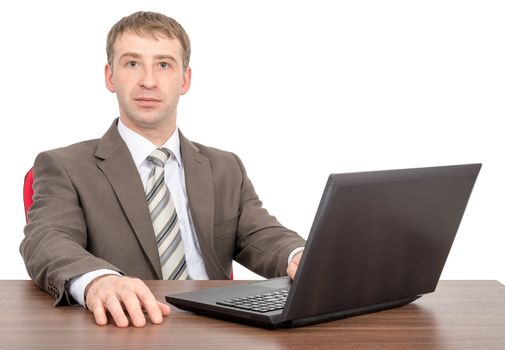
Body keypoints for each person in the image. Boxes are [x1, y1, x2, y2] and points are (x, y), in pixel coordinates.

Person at [20, 11, 305, 328]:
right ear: (110, 76)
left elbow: (260, 235)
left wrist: (299, 256)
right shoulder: (65, 166)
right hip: (129, 328)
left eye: (164, 64)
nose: (148, 81)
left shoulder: (226, 167)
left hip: (219, 329)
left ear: (184, 80)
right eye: (132, 63)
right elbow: (46, 239)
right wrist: (97, 280)